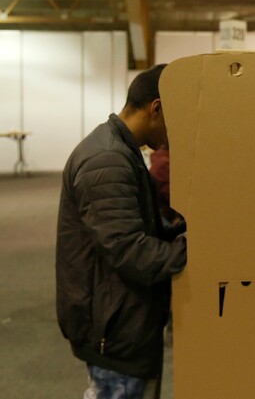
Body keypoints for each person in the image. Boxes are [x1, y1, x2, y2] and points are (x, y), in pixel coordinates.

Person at [56, 64, 187, 399]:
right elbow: (131, 251)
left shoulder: (118, 149)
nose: (178, 132)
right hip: (115, 329)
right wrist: (195, 250)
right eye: (179, 118)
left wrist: (182, 232)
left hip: (120, 318)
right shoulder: (107, 160)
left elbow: (134, 229)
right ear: (156, 108)